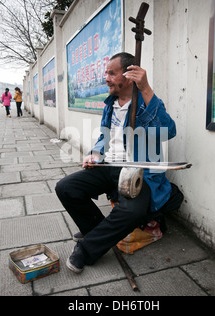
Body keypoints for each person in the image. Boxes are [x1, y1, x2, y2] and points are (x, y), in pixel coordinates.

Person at [55, 52, 177, 274]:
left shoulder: (145, 103)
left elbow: (168, 131)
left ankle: (88, 247)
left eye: (112, 73)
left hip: (137, 172)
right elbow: (104, 137)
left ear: (129, 75)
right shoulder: (110, 104)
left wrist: (147, 89)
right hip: (108, 166)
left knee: (132, 211)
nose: (107, 78)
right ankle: (97, 233)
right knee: (66, 188)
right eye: (106, 73)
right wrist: (95, 153)